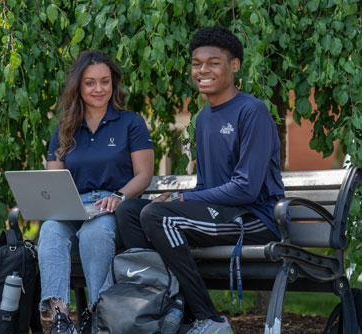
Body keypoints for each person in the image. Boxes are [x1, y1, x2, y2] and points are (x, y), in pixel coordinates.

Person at [115, 26, 286, 334]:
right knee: (128, 211)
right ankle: (163, 307)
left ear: (234, 66)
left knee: (157, 215)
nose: (203, 70)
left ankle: (208, 319)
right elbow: (208, 186)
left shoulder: (253, 112)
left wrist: (183, 200)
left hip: (257, 219)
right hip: (223, 214)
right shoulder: (203, 119)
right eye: (196, 63)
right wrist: (181, 200)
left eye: (213, 62)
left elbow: (246, 187)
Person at [38, 50, 154, 334]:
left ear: (113, 83)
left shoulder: (131, 123)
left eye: (105, 81)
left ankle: (97, 314)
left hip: (110, 205)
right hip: (74, 206)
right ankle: (61, 318)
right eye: (90, 83)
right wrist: (58, 203)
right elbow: (56, 180)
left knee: (95, 233)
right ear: (78, 86)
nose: (98, 89)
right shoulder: (65, 128)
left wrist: (120, 196)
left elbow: (144, 175)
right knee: (50, 230)